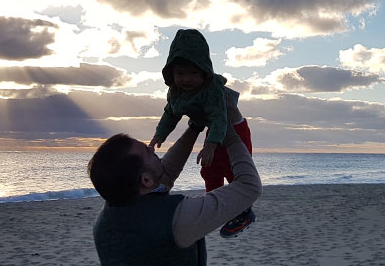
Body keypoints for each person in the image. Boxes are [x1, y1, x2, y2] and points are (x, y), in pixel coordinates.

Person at [88, 122, 262, 265]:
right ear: (146, 181)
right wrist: (228, 130)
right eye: (148, 153)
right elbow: (249, 187)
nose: (153, 150)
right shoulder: (178, 218)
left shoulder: (106, 218)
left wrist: (195, 127)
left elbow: (165, 172)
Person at [149, 29, 256, 237]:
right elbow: (171, 113)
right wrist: (160, 134)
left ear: (204, 72)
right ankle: (214, 205)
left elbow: (219, 117)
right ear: (171, 73)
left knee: (233, 170)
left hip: (232, 127)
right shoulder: (175, 91)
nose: (186, 79)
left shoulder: (212, 90)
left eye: (193, 73)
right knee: (209, 169)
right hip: (212, 131)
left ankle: (244, 212)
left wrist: (210, 145)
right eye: (180, 74)